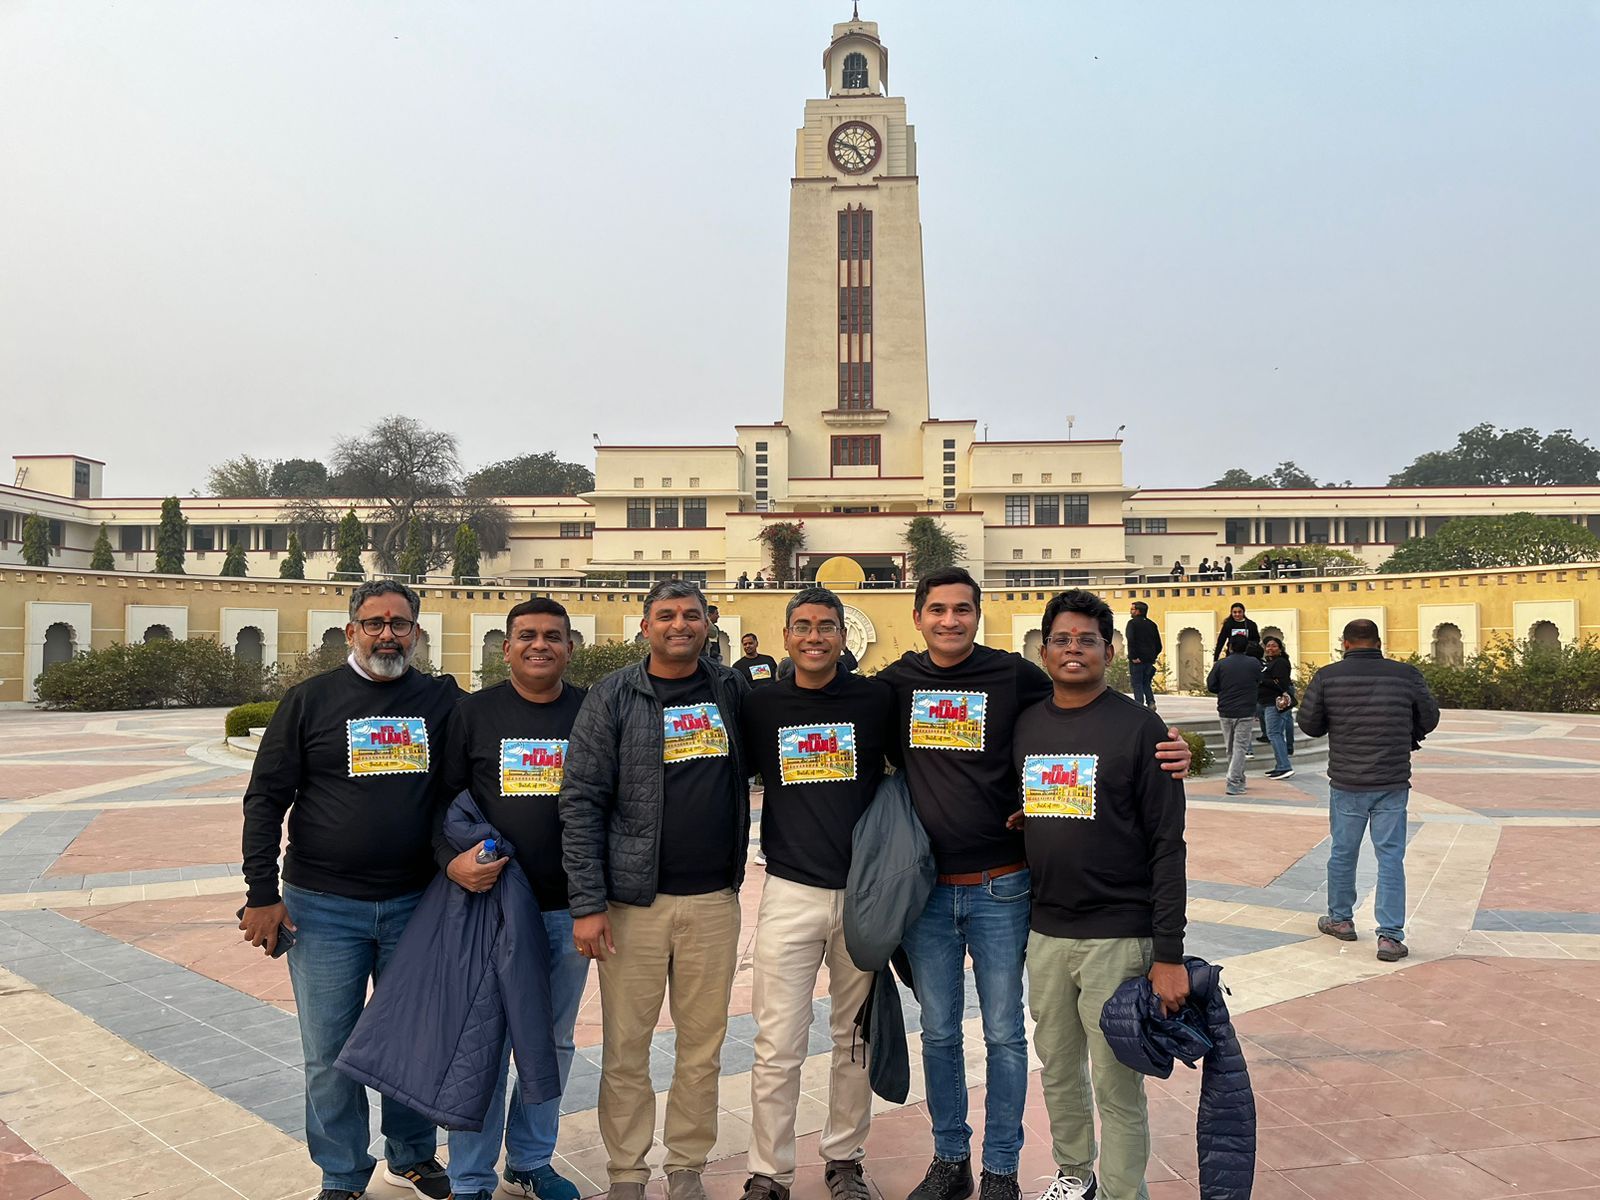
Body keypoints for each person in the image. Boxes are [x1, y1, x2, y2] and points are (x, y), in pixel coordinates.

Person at [877, 568, 1191, 1200]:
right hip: (951, 900)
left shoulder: (1018, 681)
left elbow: (1159, 833)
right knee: (955, 1037)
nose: (950, 620)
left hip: (1016, 895)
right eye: (937, 609)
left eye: (962, 609)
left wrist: (1177, 750)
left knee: (1017, 1040)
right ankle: (970, 1163)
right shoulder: (901, 686)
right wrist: (1036, 813)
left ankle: (1009, 1171)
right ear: (917, 618)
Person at [240, 579, 460, 1200]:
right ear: (351, 632)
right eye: (374, 623)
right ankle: (341, 1171)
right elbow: (265, 799)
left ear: (416, 633)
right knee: (329, 1049)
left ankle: (412, 1154)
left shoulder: (442, 701)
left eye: (400, 624)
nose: (387, 634)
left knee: (411, 1037)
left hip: (417, 904)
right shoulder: (309, 701)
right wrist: (261, 893)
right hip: (322, 909)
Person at [561, 580, 752, 1200]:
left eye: (691, 615)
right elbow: (581, 800)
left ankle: (687, 1165)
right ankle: (627, 1172)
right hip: (631, 905)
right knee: (626, 1047)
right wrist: (588, 903)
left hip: (714, 902)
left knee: (702, 1046)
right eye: (666, 615)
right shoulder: (614, 695)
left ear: (707, 624)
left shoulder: (730, 690)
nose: (679, 625)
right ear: (645, 627)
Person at [1014, 590, 1187, 1200]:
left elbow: (1167, 844)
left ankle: (1121, 1193)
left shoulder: (1140, 729)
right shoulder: (1028, 724)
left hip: (1119, 938)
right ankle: (1074, 1177)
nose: (1073, 650)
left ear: (1109, 652)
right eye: (1062, 639)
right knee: (1059, 1073)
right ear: (1044, 650)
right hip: (1046, 934)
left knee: (1116, 1086)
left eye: (1087, 640)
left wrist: (1168, 953)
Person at [431, 599, 591, 1200]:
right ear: (506, 648)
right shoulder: (472, 714)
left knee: (552, 1040)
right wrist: (450, 862)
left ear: (569, 647)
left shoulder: (591, 710)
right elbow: (440, 803)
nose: (539, 645)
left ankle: (530, 1160)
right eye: (527, 635)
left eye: (552, 636)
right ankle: (471, 1177)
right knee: (483, 1041)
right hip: (490, 907)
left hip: (567, 909)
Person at [739, 587, 894, 1200]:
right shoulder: (760, 705)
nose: (814, 637)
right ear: (786, 636)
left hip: (862, 895)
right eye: (802, 626)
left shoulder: (875, 700)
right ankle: (768, 1171)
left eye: (826, 626)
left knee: (854, 1039)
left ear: (842, 636)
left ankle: (844, 1160)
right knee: (777, 1042)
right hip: (790, 890)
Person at [1299, 619, 1440, 962]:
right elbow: (1430, 717)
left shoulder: (1327, 676)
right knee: (1390, 856)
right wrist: (1406, 732)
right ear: (1379, 643)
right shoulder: (1406, 675)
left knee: (1343, 852)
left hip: (1347, 780)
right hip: (1391, 780)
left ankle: (1340, 919)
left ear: (1345, 644)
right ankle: (1390, 936)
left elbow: (1310, 724)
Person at [1206, 634, 1259, 796]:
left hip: (1226, 710)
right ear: (1246, 647)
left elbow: (1211, 685)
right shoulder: (1254, 663)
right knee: (1240, 747)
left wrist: (1225, 689)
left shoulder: (1221, 664)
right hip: (1246, 711)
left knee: (1231, 748)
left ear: (1229, 647)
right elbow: (1259, 680)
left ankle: (1238, 779)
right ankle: (1234, 781)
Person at [1258, 636, 1295, 780]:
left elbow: (1281, 684)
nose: (1270, 649)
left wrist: (1262, 680)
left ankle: (1284, 766)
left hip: (1274, 703)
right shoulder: (1270, 663)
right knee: (1275, 734)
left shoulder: (1280, 663)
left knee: (1274, 734)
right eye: (1268, 646)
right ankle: (1280, 765)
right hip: (1267, 702)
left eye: (1274, 646)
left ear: (1280, 649)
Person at [1124, 601, 1162, 709]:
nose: (1131, 611)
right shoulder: (1152, 624)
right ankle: (1151, 702)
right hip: (1149, 661)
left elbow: (1131, 640)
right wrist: (1152, 657)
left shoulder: (1132, 623)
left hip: (1137, 660)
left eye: (1133, 609)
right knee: (1146, 682)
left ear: (1138, 611)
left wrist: (1134, 657)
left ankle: (1139, 706)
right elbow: (1159, 645)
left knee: (1137, 684)